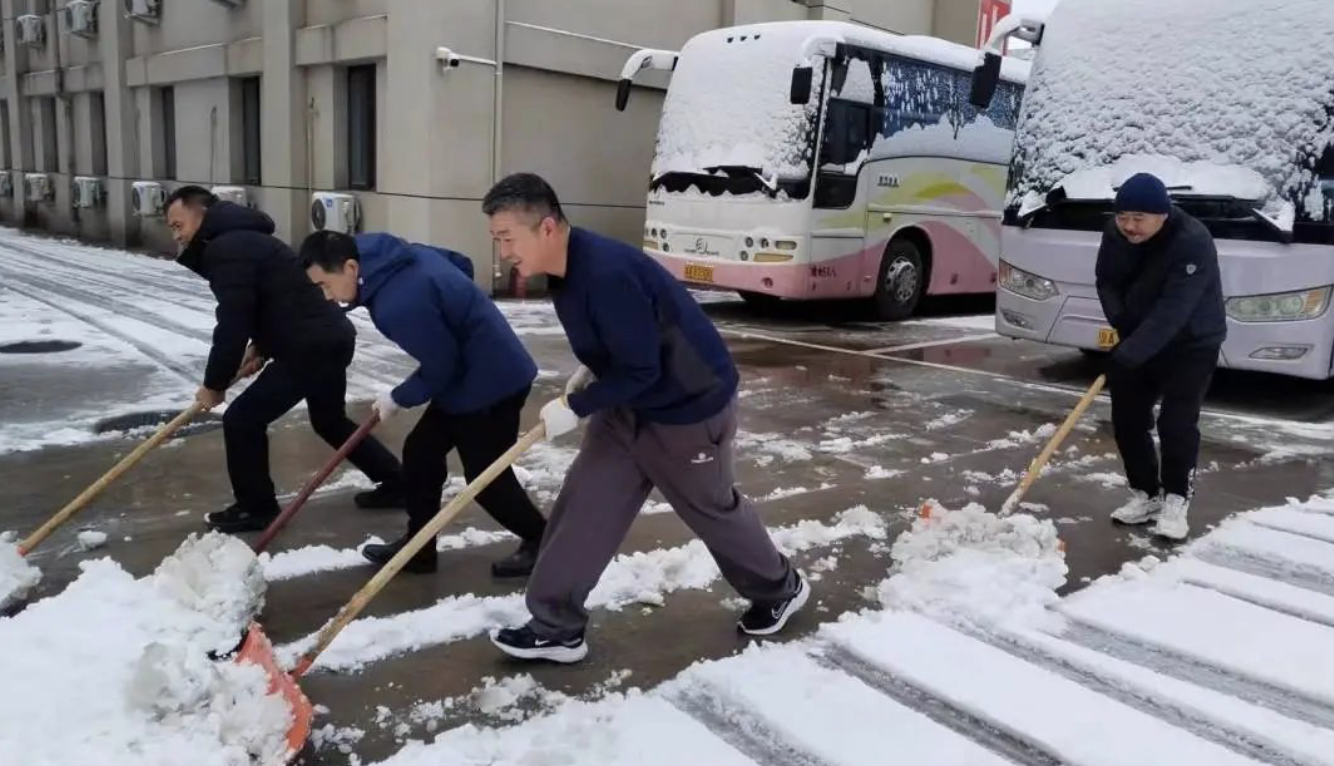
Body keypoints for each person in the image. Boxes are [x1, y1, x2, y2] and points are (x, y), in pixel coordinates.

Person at [482, 173, 807, 663]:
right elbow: (627, 344)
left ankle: (780, 588)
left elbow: (643, 368)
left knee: (712, 512)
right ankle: (555, 626)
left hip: (687, 409)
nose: (503, 251)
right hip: (627, 405)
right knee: (585, 506)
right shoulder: (567, 272)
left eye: (507, 237)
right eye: (497, 239)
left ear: (546, 227)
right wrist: (592, 374)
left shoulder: (606, 273)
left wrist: (576, 407)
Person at [300, 230, 548, 576]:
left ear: (351, 267)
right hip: (467, 374)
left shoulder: (397, 304)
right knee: (421, 454)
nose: (327, 297)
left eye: (325, 285)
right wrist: (456, 311)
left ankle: (545, 543)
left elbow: (442, 367)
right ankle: (419, 549)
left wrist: (398, 397)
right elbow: (460, 263)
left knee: (487, 478)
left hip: (493, 382)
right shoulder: (388, 254)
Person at [166, 186, 404, 532]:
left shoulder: (226, 248)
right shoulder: (247, 239)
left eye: (179, 225)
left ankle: (256, 507)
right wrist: (262, 347)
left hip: (308, 347)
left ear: (202, 214)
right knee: (330, 421)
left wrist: (214, 385)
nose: (177, 235)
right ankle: (398, 483)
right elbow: (279, 300)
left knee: (242, 420)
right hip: (330, 337)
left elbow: (233, 321)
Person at [1095, 172, 1226, 541]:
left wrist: (1130, 351)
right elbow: (1106, 281)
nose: (1128, 226)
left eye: (1138, 218)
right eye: (1122, 217)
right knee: (1127, 418)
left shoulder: (1192, 240)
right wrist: (1123, 325)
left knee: (1176, 422)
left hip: (1191, 342)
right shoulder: (1115, 233)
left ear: (1162, 215)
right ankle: (1146, 494)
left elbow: (1175, 309)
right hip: (1140, 335)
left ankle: (1176, 498)